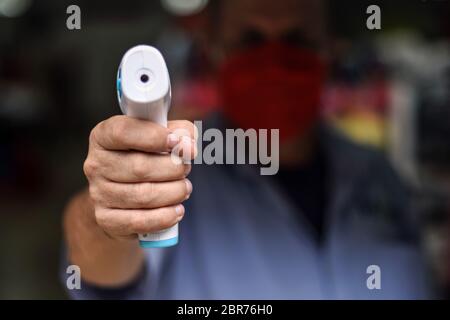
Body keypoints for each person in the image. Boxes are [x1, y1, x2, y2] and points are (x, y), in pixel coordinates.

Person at [62, 0, 433, 299]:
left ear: (330, 51)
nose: (274, 63)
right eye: (251, 41)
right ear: (213, 51)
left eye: (297, 41)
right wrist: (107, 216)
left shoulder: (378, 176)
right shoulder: (175, 164)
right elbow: (97, 272)